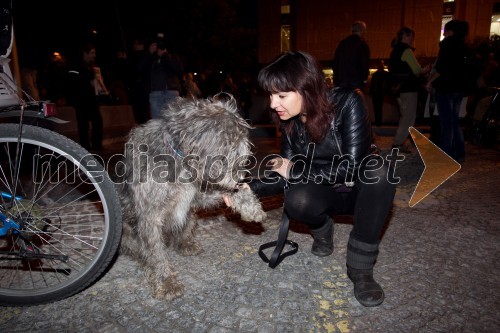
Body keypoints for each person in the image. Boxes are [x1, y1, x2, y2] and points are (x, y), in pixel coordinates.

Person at [246, 51, 396, 307]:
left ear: (306, 89)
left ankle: (360, 270)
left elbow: (351, 168)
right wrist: (247, 188)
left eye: (281, 95)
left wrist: (295, 171)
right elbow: (285, 175)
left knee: (380, 172)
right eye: (270, 95)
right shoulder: (290, 121)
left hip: (359, 191)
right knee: (298, 200)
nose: (273, 104)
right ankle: (323, 232)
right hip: (324, 192)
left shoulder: (348, 102)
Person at [425, 20, 469, 163]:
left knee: (446, 123)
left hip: (446, 88)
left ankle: (444, 156)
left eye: (445, 30)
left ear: (450, 31)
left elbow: (441, 68)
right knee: (455, 122)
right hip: (459, 88)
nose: (443, 32)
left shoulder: (446, 44)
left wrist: (430, 81)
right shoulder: (464, 46)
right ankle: (459, 153)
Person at [388, 27, 429, 153]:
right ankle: (397, 143)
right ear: (406, 36)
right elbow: (416, 70)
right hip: (409, 88)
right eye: (411, 36)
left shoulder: (394, 50)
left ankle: (400, 142)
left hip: (399, 89)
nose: (413, 39)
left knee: (404, 116)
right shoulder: (406, 50)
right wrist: (426, 70)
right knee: (408, 118)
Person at [67, 43, 104, 150]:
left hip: (93, 99)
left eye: (94, 53)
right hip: (81, 100)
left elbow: (97, 82)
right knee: (83, 125)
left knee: (98, 122)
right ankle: (85, 147)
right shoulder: (76, 66)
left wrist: (101, 85)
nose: (94, 55)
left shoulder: (93, 67)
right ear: (85, 53)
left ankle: (97, 145)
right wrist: (89, 83)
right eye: (92, 53)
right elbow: (73, 83)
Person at [138, 34, 184, 118]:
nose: (160, 47)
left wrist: (164, 55)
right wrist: (149, 53)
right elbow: (139, 69)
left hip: (171, 93)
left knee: (173, 122)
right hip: (155, 94)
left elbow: (179, 70)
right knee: (156, 123)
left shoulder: (173, 57)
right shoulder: (151, 58)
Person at [332, 21, 370, 90]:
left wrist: (336, 77)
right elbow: (364, 63)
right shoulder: (362, 44)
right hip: (356, 79)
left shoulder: (343, 43)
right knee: (356, 99)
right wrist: (364, 78)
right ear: (362, 31)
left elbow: (335, 61)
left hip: (341, 79)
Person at [369, 60, 389, 126]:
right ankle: (378, 121)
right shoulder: (385, 74)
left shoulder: (375, 75)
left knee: (377, 108)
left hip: (377, 93)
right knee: (378, 108)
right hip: (379, 93)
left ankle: (378, 121)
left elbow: (372, 85)